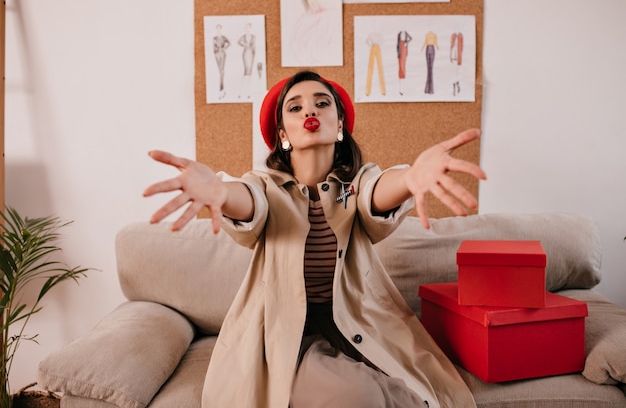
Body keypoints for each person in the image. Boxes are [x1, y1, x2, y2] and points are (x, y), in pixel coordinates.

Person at [143, 70, 486, 408]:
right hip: (286, 333)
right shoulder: (266, 187)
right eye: (295, 107)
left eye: (322, 103)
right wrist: (220, 190)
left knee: (420, 395)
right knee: (359, 396)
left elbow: (374, 192)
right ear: (282, 135)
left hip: (356, 323)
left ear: (339, 125)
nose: (309, 111)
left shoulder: (350, 187)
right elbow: (249, 202)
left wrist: (410, 177)